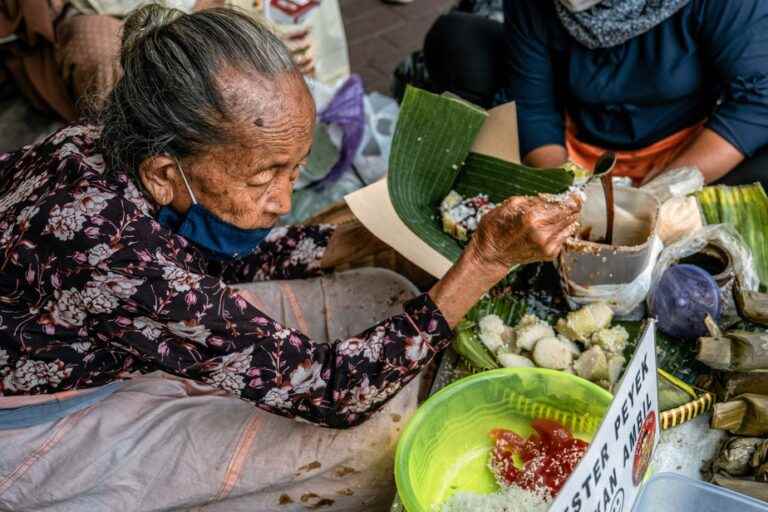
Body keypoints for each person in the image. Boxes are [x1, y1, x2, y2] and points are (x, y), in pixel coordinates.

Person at [0, 5, 582, 511]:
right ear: (161, 173)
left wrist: (342, 240)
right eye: (264, 177)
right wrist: (482, 261)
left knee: (382, 289)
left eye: (293, 169)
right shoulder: (119, 256)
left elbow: (198, 261)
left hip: (103, 336)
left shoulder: (99, 143)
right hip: (39, 426)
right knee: (380, 441)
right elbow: (333, 393)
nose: (283, 202)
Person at [424, 0, 768, 189]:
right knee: (458, 36)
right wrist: (565, 191)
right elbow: (534, 105)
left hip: (686, 153)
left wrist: (664, 191)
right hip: (576, 147)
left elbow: (756, 102)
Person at [0, 0, 314, 122]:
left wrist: (262, 32)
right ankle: (120, 163)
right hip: (102, 20)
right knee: (103, 49)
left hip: (194, 24)